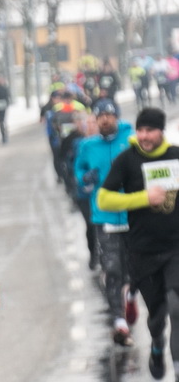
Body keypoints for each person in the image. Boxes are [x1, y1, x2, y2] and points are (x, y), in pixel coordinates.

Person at [98, 106, 179, 382]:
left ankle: (178, 379)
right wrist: (144, 198)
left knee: (177, 307)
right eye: (140, 130)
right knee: (156, 316)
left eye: (150, 130)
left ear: (161, 131)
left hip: (175, 248)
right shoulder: (128, 160)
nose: (144, 136)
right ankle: (157, 344)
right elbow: (104, 198)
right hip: (143, 251)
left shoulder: (175, 156)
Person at [73, 99, 135, 346]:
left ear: (116, 117)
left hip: (132, 214)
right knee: (112, 267)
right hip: (104, 216)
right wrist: (85, 178)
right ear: (96, 120)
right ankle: (119, 320)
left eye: (109, 115)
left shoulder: (130, 139)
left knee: (134, 268)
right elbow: (79, 172)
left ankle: (131, 296)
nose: (105, 120)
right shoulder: (88, 146)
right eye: (100, 117)